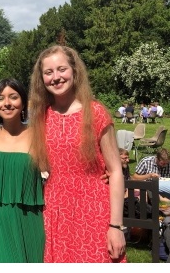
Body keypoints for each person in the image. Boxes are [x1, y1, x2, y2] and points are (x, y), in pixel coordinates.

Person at [29, 45, 126, 263]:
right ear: (41, 78)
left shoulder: (96, 112)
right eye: (48, 72)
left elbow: (116, 171)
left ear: (74, 70)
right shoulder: (41, 117)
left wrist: (116, 225)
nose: (56, 77)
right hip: (55, 213)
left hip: (94, 211)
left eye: (61, 69)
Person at [0, 78, 45, 263]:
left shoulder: (39, 136)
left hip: (28, 220)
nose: (7, 103)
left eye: (13, 97)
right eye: (0, 98)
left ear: (23, 102)